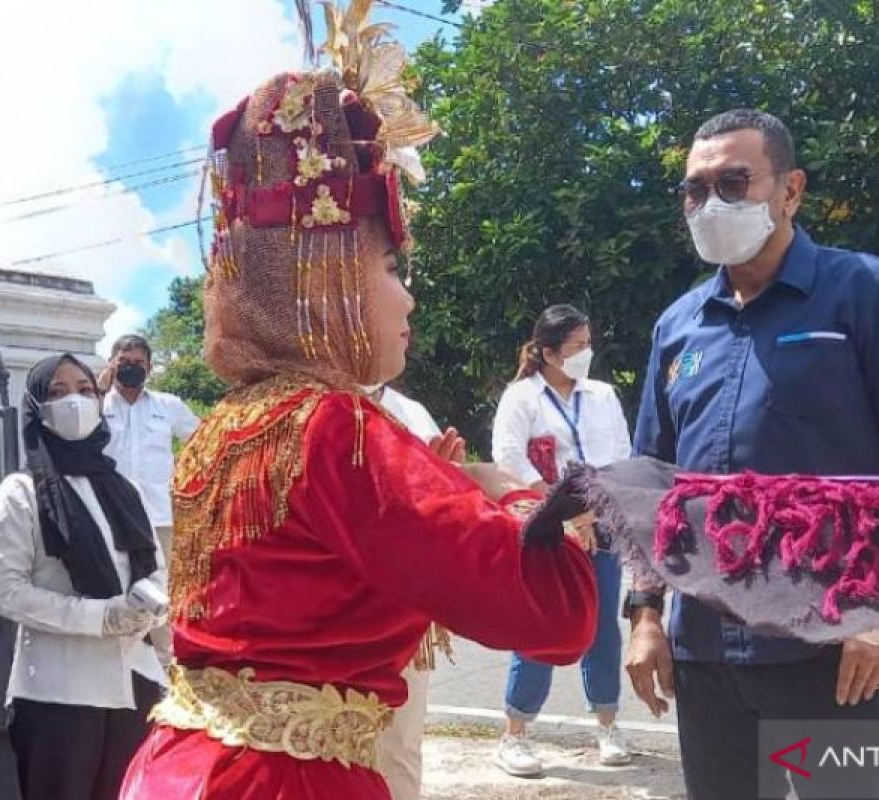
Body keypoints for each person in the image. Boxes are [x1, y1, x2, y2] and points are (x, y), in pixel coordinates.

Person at [118, 8, 598, 798]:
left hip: (178, 767)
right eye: (387, 268)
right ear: (324, 278)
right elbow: (559, 617)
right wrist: (506, 497)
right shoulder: (334, 428)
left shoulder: (221, 429)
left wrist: (430, 488)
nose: (406, 302)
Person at [625, 109, 879, 800]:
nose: (710, 203)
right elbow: (650, 488)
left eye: (733, 182)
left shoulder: (864, 292)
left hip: (834, 650)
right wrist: (644, 617)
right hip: (706, 652)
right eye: (695, 189)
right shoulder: (679, 325)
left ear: (791, 190)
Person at [0, 354, 169, 800]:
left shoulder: (125, 488)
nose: (75, 403)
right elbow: (5, 592)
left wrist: (148, 609)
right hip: (61, 692)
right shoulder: (20, 493)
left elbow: (156, 567)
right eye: (57, 392)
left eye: (86, 391)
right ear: (35, 406)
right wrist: (100, 617)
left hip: (136, 680)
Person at [490, 304, 634, 776]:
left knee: (603, 626)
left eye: (589, 344)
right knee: (542, 622)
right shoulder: (522, 398)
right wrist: (570, 516)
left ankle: (608, 724)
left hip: (604, 524)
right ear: (549, 353)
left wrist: (598, 513)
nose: (586, 354)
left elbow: (620, 457)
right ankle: (516, 733)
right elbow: (510, 460)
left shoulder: (603, 396)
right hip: (550, 530)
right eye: (577, 347)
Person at [374, 384, 461, 800]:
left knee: (400, 743)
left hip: (404, 610)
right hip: (328, 616)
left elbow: (442, 507)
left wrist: (443, 481)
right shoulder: (307, 406)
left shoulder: (409, 411)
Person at [98, 334, 200, 562]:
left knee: (164, 589)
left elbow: (202, 444)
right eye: (124, 362)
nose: (130, 368)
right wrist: (98, 392)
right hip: (110, 514)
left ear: (149, 368)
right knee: (115, 589)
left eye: (138, 364)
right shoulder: (98, 405)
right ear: (111, 364)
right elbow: (79, 440)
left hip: (159, 516)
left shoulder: (169, 405)